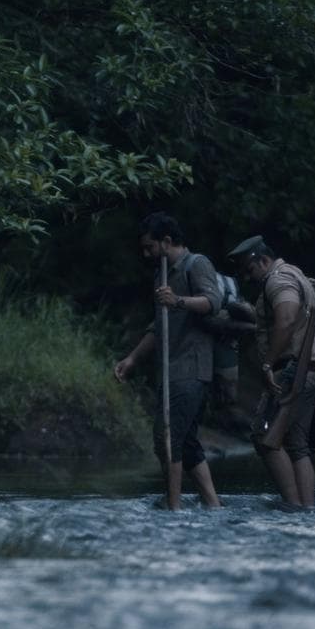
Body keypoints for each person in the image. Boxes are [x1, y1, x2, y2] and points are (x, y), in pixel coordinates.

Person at [114, 212, 223, 510]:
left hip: (192, 368)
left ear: (167, 241)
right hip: (169, 369)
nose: (146, 253)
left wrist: (177, 301)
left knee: (168, 438)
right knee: (184, 441)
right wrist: (133, 359)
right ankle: (212, 505)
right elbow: (158, 326)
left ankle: (173, 507)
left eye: (150, 247)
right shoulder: (161, 275)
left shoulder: (196, 264)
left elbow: (212, 301)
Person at [228, 236, 315, 510]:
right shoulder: (297, 275)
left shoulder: (278, 279)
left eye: (250, 270)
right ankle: (306, 510)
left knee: (264, 439)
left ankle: (294, 507)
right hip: (312, 369)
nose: (248, 278)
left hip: (293, 371)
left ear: (263, 260)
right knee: (297, 444)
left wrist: (267, 364)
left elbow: (285, 320)